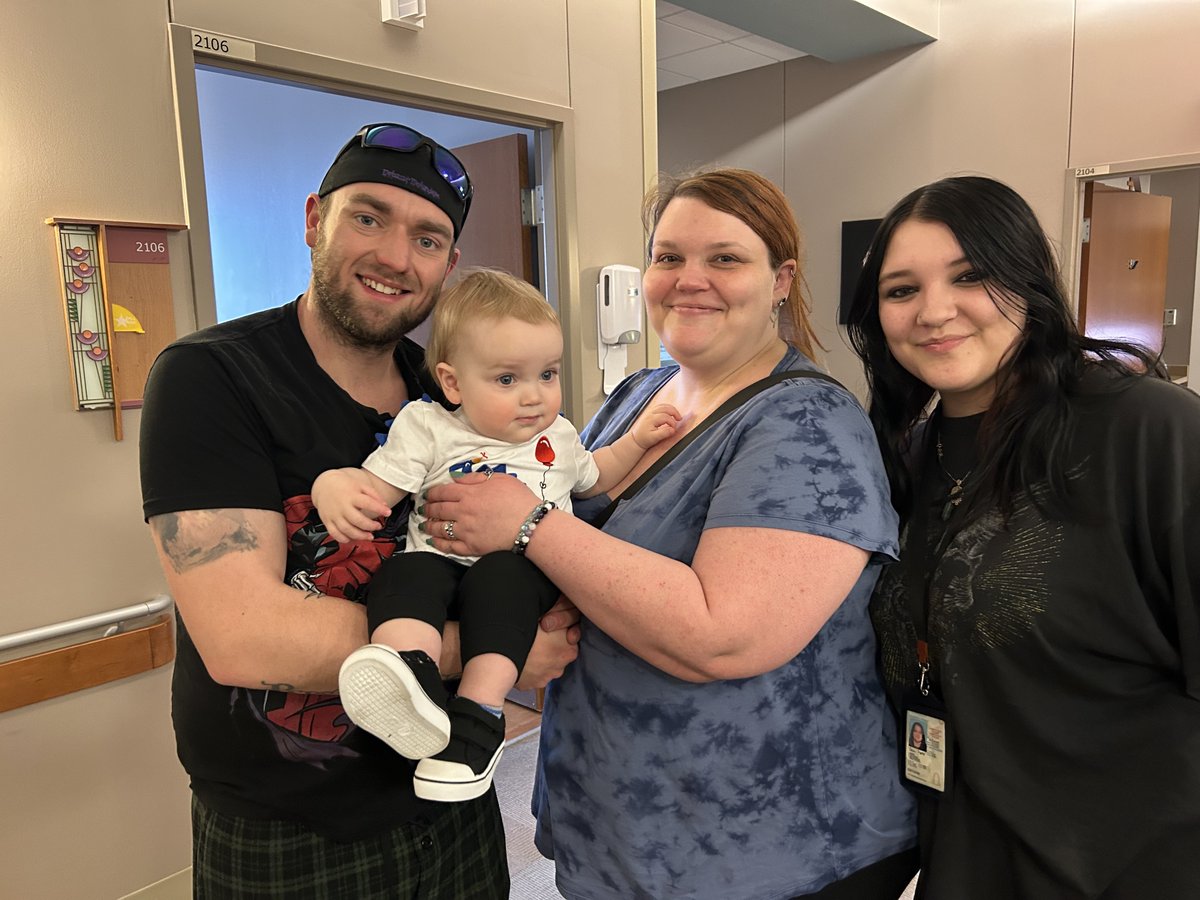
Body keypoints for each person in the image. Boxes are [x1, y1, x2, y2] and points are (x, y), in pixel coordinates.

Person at [418, 168, 918, 899]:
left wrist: (525, 524)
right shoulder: (636, 396)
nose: (690, 280)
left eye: (724, 258)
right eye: (668, 256)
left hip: (766, 851)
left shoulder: (807, 424)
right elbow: (577, 544)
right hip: (619, 830)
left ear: (780, 280)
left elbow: (726, 634)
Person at [139, 123, 581, 898]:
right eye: (367, 217)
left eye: (429, 239)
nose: (395, 257)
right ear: (316, 220)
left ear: (448, 266)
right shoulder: (212, 380)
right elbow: (244, 637)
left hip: (450, 794)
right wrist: (492, 654)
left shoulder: (452, 395)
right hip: (287, 822)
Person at [846, 174, 1200, 899]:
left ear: (1029, 279)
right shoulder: (903, 459)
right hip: (965, 865)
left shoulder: (1148, 431)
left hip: (1134, 868)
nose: (934, 311)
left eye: (971, 275)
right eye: (901, 289)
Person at [311, 268, 678, 803]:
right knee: (404, 571)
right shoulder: (429, 425)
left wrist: (638, 439)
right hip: (438, 563)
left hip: (523, 574)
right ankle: (410, 677)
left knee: (502, 579)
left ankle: (479, 718)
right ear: (453, 382)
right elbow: (376, 487)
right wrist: (332, 486)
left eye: (547, 375)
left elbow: (596, 474)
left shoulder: (557, 434)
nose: (534, 397)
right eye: (508, 380)